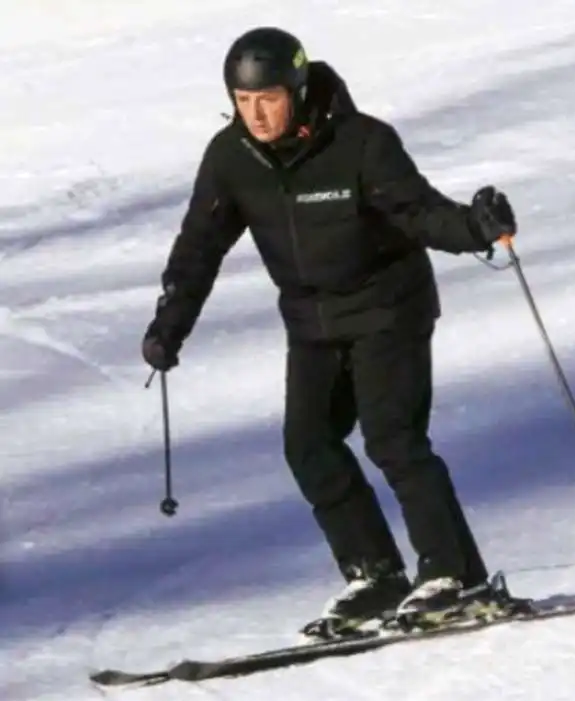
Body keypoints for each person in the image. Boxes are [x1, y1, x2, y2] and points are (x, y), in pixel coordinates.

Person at [141, 27, 518, 635]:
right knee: (308, 444)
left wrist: (475, 228)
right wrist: (169, 327)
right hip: (312, 322)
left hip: (388, 309)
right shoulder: (231, 159)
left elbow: (418, 212)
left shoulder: (362, 143)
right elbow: (198, 249)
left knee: (393, 439)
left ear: (296, 87)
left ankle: (455, 576)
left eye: (267, 98)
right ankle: (375, 576)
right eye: (242, 100)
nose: (256, 114)